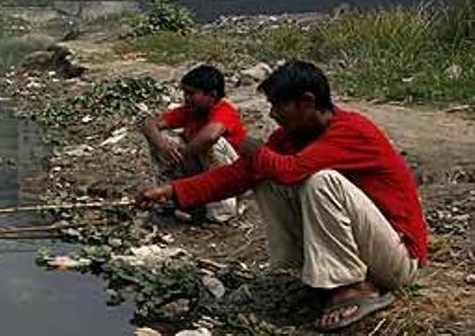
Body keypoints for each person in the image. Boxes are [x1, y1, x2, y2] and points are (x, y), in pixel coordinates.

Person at [135, 61, 427, 333]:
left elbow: (289, 171)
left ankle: (353, 287)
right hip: (368, 250)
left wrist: (252, 148)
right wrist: (171, 190)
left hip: (398, 260)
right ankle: (305, 269)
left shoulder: (352, 131)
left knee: (321, 181)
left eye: (278, 105)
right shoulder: (292, 136)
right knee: (264, 177)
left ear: (307, 103)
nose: (273, 114)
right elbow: (237, 176)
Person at [138, 64, 245, 222]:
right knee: (165, 139)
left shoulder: (224, 110)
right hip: (203, 169)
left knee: (214, 144)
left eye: (191, 93)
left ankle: (221, 210)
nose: (186, 98)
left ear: (212, 94)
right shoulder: (190, 111)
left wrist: (182, 153)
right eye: (185, 92)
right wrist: (164, 147)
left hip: (233, 175)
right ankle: (169, 197)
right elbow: (149, 125)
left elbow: (210, 136)